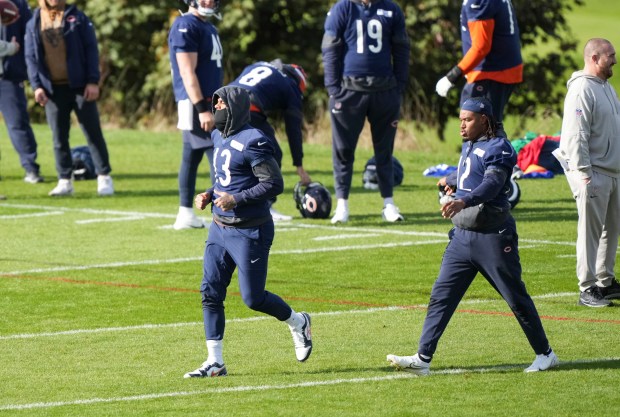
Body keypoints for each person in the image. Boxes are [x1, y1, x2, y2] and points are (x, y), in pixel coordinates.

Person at [387, 97, 558, 375]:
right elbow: (469, 171)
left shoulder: (499, 148)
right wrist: (451, 181)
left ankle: (545, 354)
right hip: (463, 236)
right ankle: (423, 358)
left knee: (515, 297)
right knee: (441, 296)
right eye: (460, 120)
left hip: (493, 236)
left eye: (467, 119)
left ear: (484, 119)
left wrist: (463, 201)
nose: (462, 125)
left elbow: (491, 182)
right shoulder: (471, 144)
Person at [184, 85, 312, 378]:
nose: (215, 109)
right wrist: (208, 194)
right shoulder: (219, 136)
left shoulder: (255, 140)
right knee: (210, 292)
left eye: (220, 105)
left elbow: (273, 183)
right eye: (214, 104)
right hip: (219, 227)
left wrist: (236, 200)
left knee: (253, 299)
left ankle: (297, 321)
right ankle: (215, 361)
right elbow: (226, 181)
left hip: (250, 230)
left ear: (235, 108)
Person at [321, 0, 410, 224]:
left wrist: (399, 86)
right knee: (343, 150)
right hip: (350, 91)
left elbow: (401, 49)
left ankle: (388, 203)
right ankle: (342, 204)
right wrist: (333, 89)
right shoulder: (343, 9)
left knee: (384, 151)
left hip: (385, 91)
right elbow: (330, 48)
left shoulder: (391, 9)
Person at [24, 0, 113, 197]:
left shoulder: (78, 17)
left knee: (92, 132)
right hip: (52, 90)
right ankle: (64, 180)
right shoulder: (34, 21)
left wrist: (92, 81)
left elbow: (91, 49)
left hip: (80, 86)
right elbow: (30, 57)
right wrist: (37, 86)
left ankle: (104, 177)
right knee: (58, 138)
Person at [557, 38, 620, 307]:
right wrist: (584, 172)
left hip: (612, 171)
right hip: (593, 172)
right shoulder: (582, 88)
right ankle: (587, 287)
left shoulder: (606, 87)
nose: (615, 61)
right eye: (610, 56)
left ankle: (605, 282)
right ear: (594, 58)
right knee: (590, 231)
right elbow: (576, 134)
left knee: (611, 231)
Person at [229, 59, 312, 221]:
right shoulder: (291, 85)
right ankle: (264, 206)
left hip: (223, 101)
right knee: (271, 153)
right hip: (247, 107)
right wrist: (299, 164)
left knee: (237, 156)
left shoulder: (258, 65)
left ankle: (235, 203)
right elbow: (293, 128)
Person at [169, 0, 223, 230]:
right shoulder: (185, 25)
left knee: (191, 157)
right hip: (196, 102)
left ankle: (185, 213)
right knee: (216, 154)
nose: (209, 1)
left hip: (207, 101)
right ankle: (222, 212)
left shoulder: (208, 26)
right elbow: (186, 71)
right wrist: (202, 108)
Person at [435, 0, 522, 138]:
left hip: (490, 73)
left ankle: (492, 159)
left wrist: (452, 76)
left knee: (478, 131)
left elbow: (481, 46)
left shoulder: (479, 2)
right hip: (500, 70)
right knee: (488, 129)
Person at [1, 0, 44, 185]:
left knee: (17, 123)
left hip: (9, 76)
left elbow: (30, 36)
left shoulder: (20, 4)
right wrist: (9, 48)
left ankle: (31, 168)